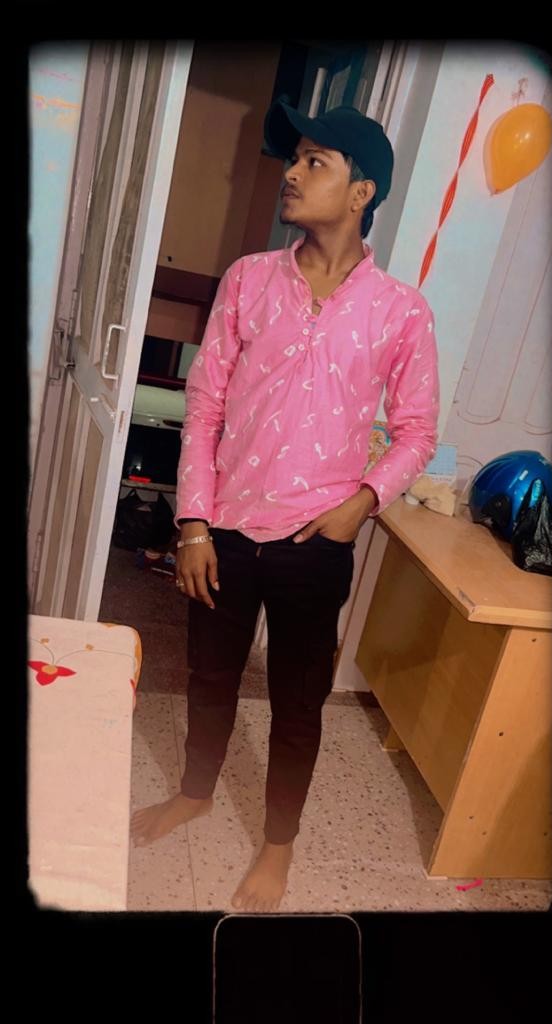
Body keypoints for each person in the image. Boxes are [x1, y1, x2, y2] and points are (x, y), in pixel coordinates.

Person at [130, 100, 440, 912]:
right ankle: (195, 793)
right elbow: (205, 405)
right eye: (293, 159)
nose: (291, 175)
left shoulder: (400, 310)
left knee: (298, 702)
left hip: (316, 541)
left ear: (361, 191)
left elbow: (416, 431)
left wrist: (361, 503)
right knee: (208, 677)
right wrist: (192, 522)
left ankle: (278, 846)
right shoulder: (247, 279)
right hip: (225, 530)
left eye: (314, 162)